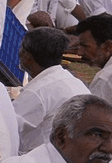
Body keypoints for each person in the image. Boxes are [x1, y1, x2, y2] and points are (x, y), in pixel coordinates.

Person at [15, 25, 89, 154]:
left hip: (43, 161)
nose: (19, 53)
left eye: (21, 48)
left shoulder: (37, 92)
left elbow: (7, 125)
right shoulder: (70, 80)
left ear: (28, 56)